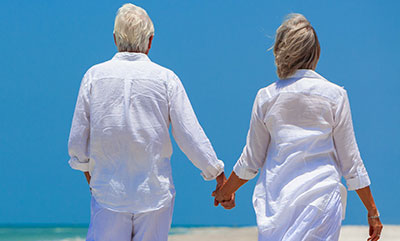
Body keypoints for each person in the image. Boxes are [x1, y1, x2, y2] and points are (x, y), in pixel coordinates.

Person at [213, 14, 383, 241]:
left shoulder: (266, 97)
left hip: (276, 207)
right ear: (315, 53)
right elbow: (351, 162)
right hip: (322, 202)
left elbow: (251, 160)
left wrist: (226, 191)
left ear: (280, 51)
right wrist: (372, 212)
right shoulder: (335, 96)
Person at [67, 3, 226, 241]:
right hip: (154, 194)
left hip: (108, 193)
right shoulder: (166, 79)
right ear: (150, 40)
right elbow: (189, 134)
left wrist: (93, 179)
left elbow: (78, 140)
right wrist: (218, 176)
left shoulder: (94, 76)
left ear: (114, 39)